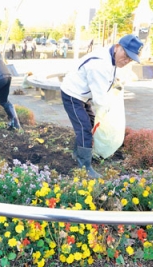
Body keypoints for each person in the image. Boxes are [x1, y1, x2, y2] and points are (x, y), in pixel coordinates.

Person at [60, 34, 144, 178]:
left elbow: (108, 80)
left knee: (90, 123)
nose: (127, 60)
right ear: (117, 47)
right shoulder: (99, 64)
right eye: (126, 55)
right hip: (72, 94)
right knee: (84, 127)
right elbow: (100, 101)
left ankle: (78, 153)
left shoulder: (111, 57)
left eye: (131, 58)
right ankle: (84, 166)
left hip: (84, 95)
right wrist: (108, 114)